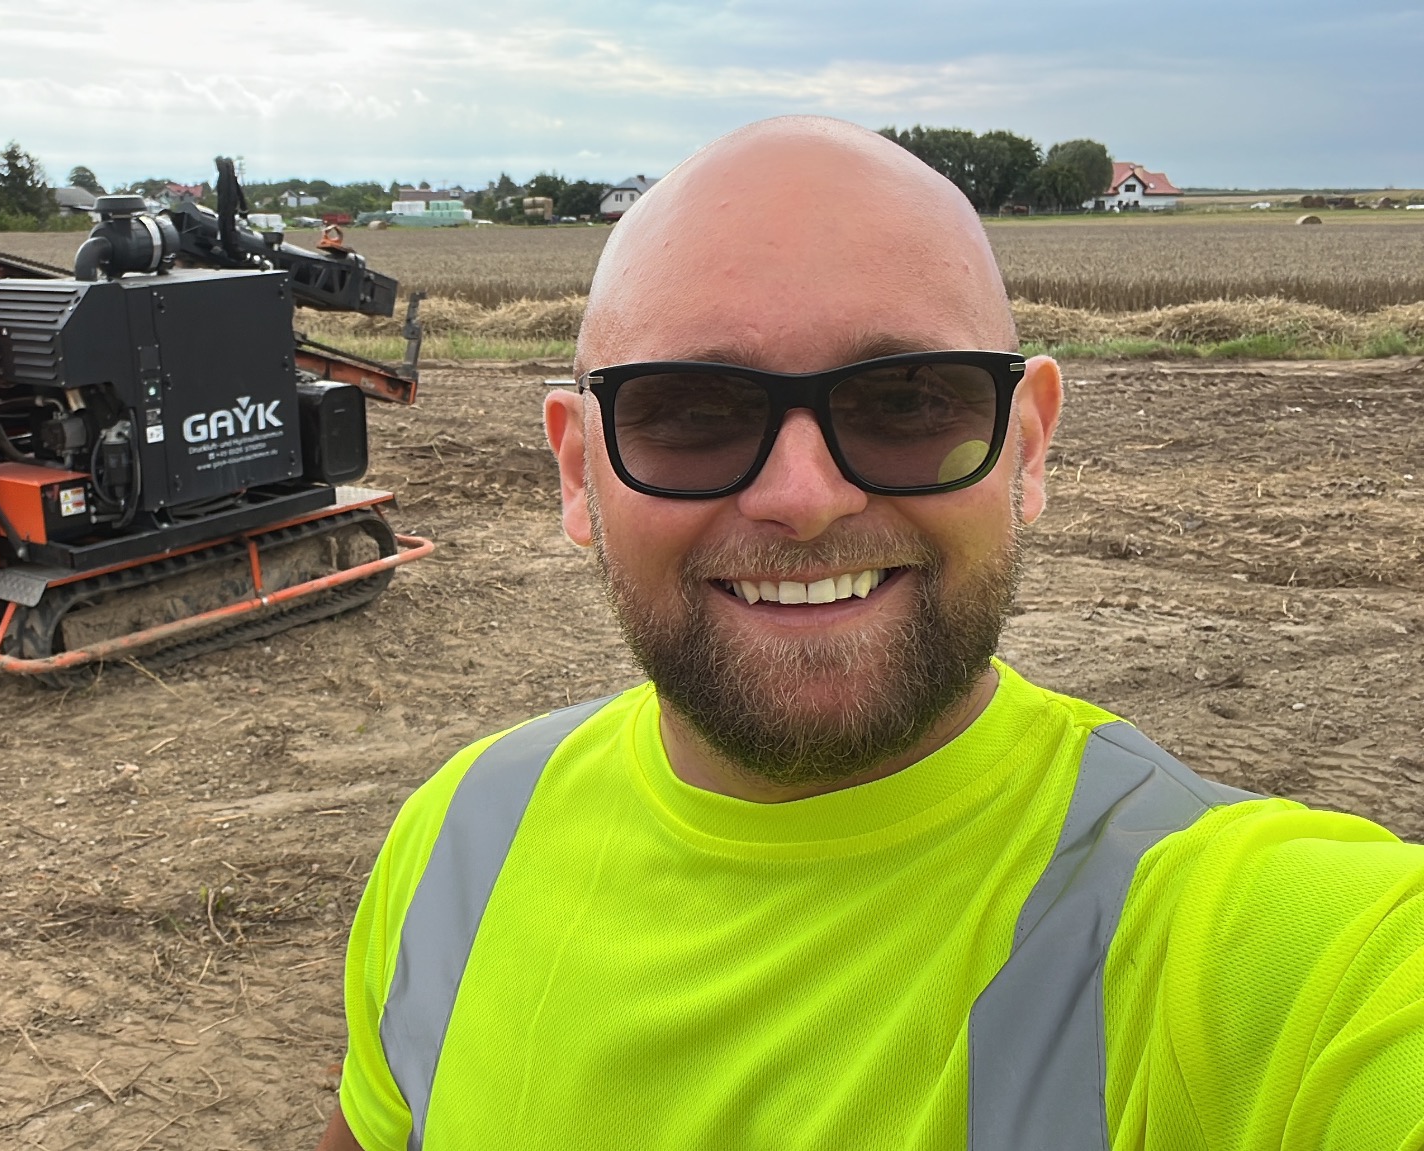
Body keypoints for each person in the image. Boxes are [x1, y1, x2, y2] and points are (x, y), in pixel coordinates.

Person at [315, 118, 1422, 1151]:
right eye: (692, 411)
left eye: (907, 401)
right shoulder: (454, 840)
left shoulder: (1263, 943)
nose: (805, 496)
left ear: (1025, 450)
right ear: (575, 470)